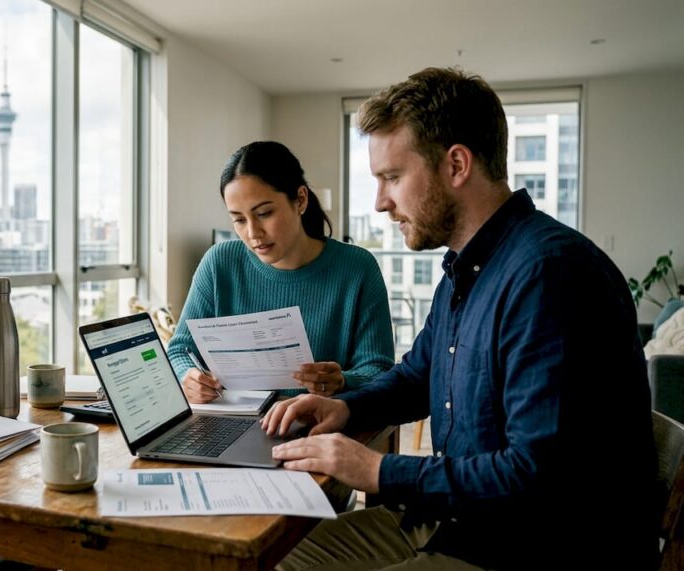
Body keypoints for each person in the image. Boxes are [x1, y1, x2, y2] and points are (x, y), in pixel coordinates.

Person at [263, 68, 658, 570]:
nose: (381, 202)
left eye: (392, 178)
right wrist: (345, 408)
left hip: (528, 546)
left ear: (456, 164)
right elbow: (417, 375)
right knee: (278, 560)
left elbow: (534, 476)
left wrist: (381, 470)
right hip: (455, 521)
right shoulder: (464, 267)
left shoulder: (549, 274)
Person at [167, 141, 394, 403]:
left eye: (264, 213)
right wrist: (189, 377)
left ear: (300, 200)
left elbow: (379, 370)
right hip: (231, 424)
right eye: (239, 220)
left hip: (318, 429)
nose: (253, 234)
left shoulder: (357, 268)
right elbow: (179, 351)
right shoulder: (219, 264)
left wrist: (343, 380)